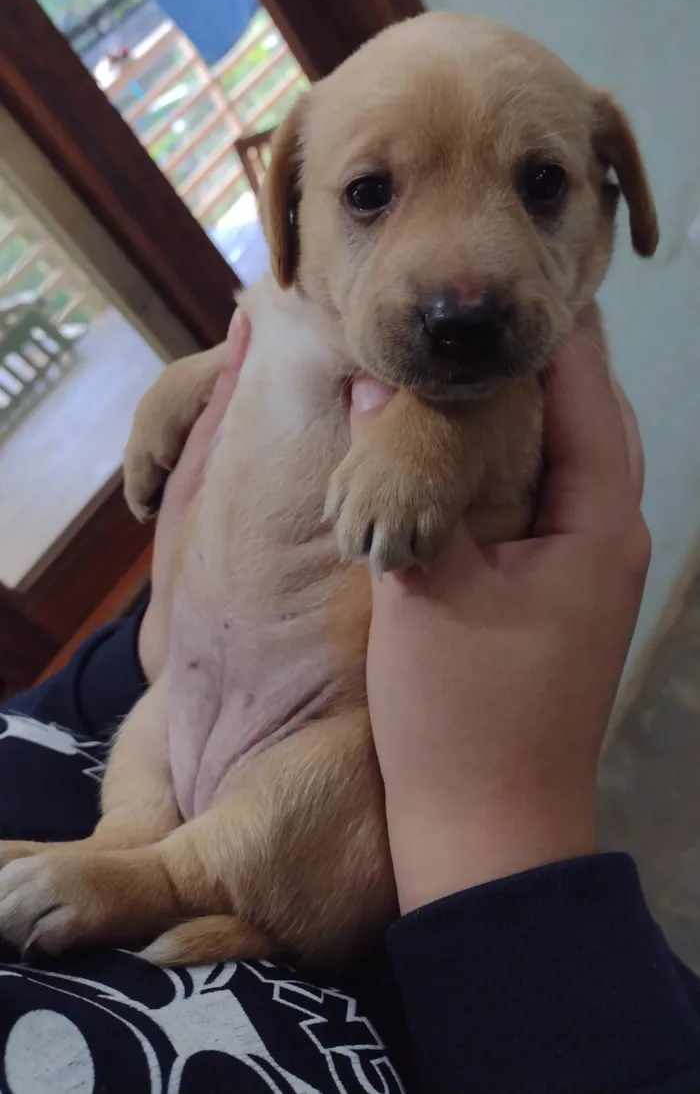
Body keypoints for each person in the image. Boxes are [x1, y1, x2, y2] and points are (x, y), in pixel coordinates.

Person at [0, 308, 698, 1093]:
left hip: (301, 733)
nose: (453, 273)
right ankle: (130, 854)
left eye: (540, 183)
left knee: (311, 758)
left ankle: (165, 876)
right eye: (368, 192)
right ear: (287, 208)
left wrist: (153, 640)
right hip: (215, 714)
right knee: (155, 738)